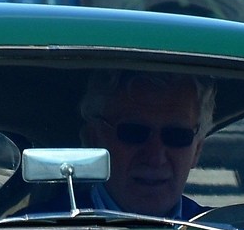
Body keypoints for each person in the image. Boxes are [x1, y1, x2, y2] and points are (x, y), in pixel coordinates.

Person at [78, 70, 213, 218]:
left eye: (177, 135)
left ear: (197, 149)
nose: (155, 158)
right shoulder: (51, 229)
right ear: (94, 140)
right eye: (134, 133)